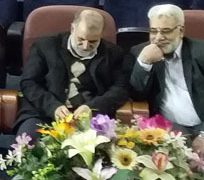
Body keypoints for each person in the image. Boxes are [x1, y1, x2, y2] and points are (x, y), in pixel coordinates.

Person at [130, 4, 204, 175]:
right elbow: (136, 94)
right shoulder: (141, 53)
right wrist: (144, 63)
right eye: (153, 31)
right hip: (172, 128)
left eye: (166, 31)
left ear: (180, 31)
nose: (158, 38)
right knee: (168, 171)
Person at [14, 9, 129, 139]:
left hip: (92, 118)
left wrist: (93, 107)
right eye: (81, 39)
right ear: (72, 28)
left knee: (102, 147)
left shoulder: (114, 54)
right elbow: (29, 83)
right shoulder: (45, 46)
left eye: (93, 41)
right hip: (43, 112)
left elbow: (121, 89)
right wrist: (53, 106)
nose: (85, 46)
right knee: (28, 143)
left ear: (101, 34)